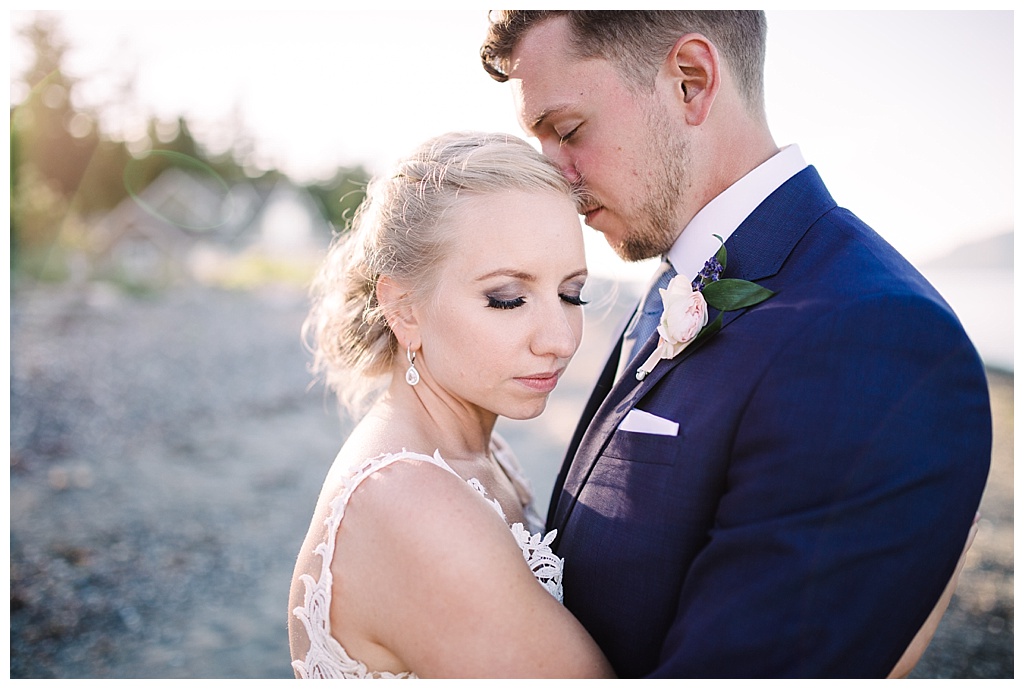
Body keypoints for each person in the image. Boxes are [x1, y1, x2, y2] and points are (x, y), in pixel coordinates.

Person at [480, 10, 992, 678]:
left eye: (568, 131)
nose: (557, 176)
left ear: (690, 81)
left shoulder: (877, 335)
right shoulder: (677, 275)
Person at [287, 131, 615, 678]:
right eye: (508, 298)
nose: (558, 339)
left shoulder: (485, 452)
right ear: (405, 309)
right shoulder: (409, 500)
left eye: (570, 294)